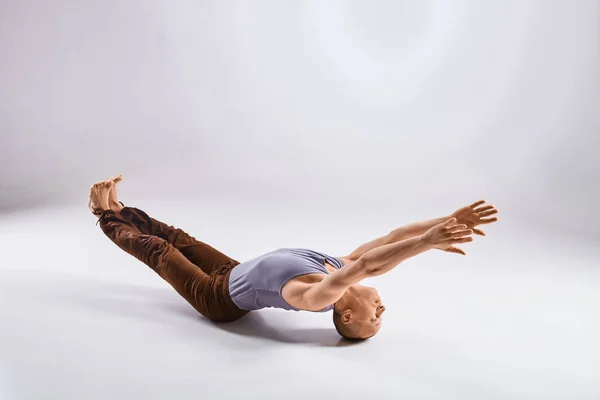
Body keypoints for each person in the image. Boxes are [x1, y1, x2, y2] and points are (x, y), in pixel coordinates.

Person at [88, 175, 499, 340]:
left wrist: (427, 242)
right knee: (178, 237)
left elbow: (369, 266)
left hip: (216, 299)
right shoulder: (336, 267)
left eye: (376, 318)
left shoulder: (318, 294)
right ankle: (123, 209)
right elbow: (388, 240)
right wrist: (444, 221)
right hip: (234, 271)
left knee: (160, 251)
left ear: (348, 317)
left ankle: (103, 214)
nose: (382, 309)